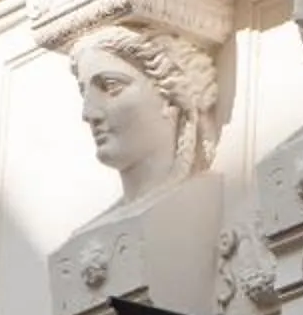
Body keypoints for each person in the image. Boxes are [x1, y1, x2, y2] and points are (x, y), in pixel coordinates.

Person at [70, 23, 218, 205]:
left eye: (110, 86)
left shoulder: (202, 200)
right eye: (84, 93)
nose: (88, 113)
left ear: (170, 97)